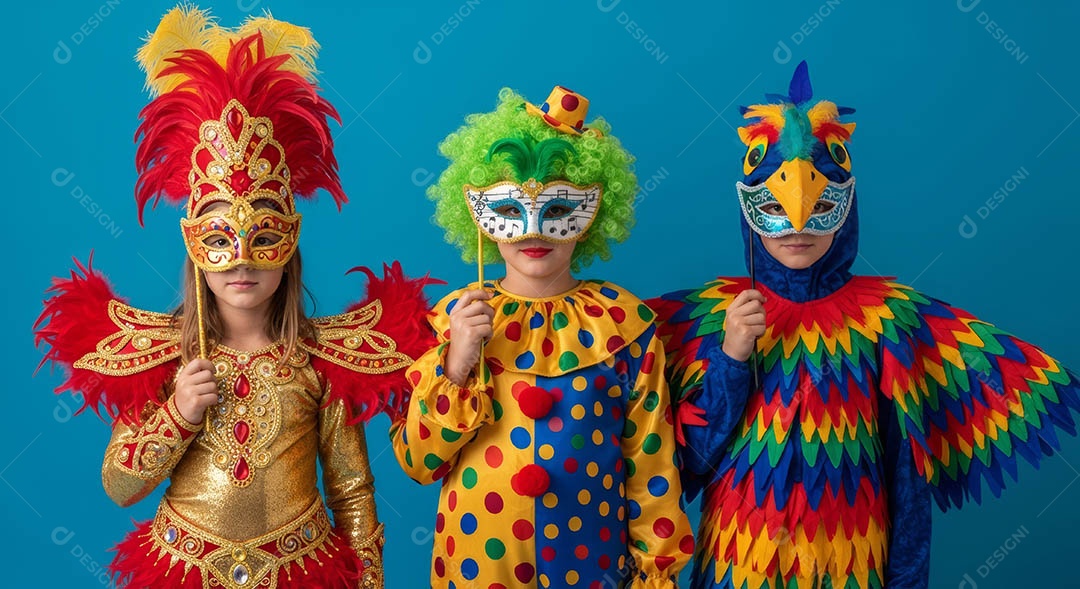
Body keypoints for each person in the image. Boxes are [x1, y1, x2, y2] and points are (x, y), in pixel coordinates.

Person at [33, 7, 436, 588]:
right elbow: (120, 486)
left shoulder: (321, 360)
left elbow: (351, 489)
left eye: (263, 238)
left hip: (302, 570)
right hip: (183, 570)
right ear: (195, 246)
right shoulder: (164, 357)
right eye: (221, 239)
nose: (242, 260)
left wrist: (369, 581)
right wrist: (178, 412)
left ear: (290, 244)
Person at [650, 61, 1080, 589]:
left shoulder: (886, 321)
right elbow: (690, 462)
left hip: (851, 562)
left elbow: (908, 475)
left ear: (847, 208)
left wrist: (905, 581)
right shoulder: (711, 319)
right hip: (738, 562)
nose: (797, 229)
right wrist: (730, 358)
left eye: (821, 209)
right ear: (749, 215)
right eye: (776, 213)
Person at [390, 86, 694, 588]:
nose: (534, 232)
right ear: (479, 218)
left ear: (593, 212)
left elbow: (651, 464)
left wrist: (655, 571)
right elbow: (419, 462)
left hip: (590, 564)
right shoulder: (455, 319)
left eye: (558, 211)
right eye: (509, 212)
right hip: (480, 566)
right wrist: (456, 364)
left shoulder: (623, 324)